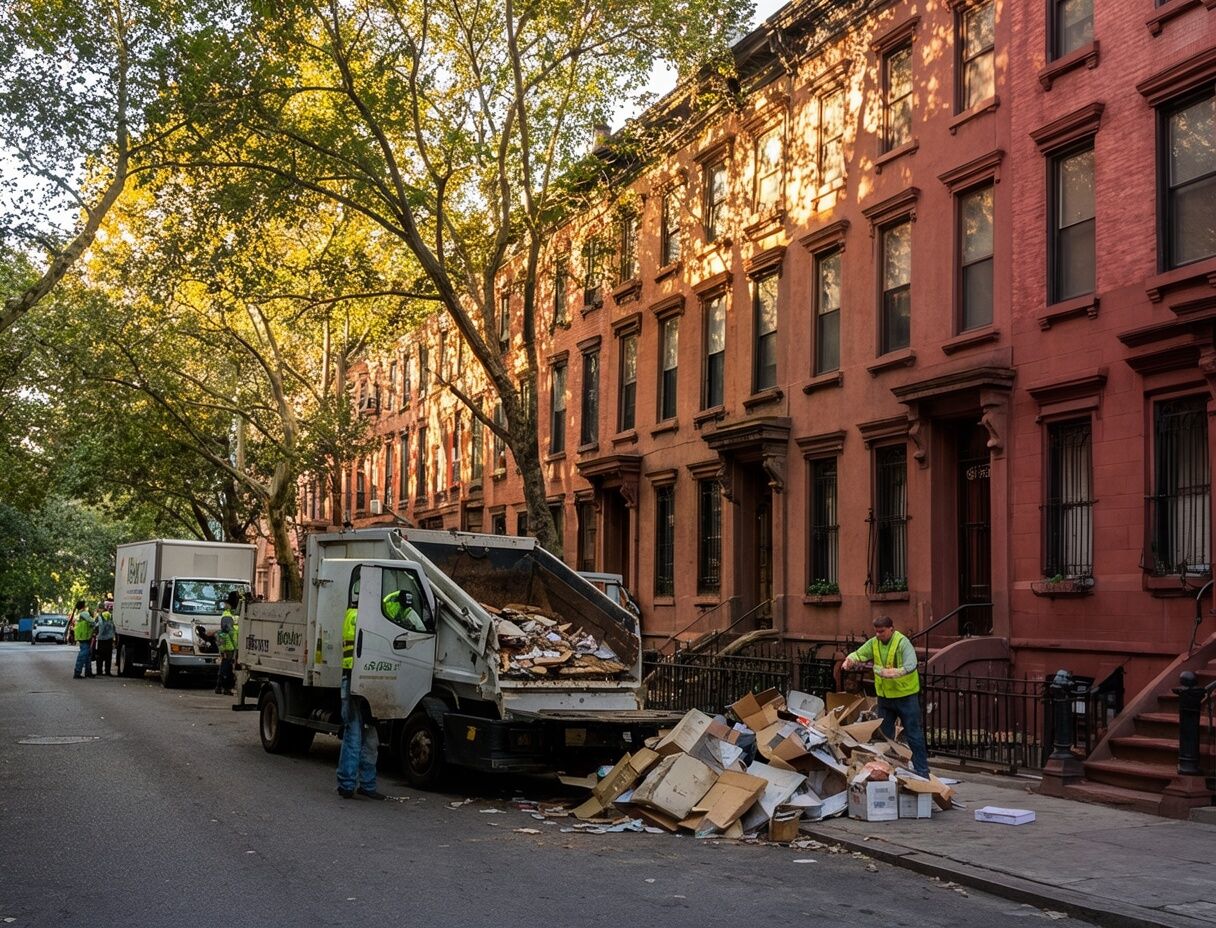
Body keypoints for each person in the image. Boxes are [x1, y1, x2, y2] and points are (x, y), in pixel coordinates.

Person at [842, 615, 930, 778]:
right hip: (885, 698)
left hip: (906, 696)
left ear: (891, 629)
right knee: (884, 736)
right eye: (876, 631)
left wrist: (897, 671)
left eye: (882, 631)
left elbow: (911, 664)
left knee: (913, 734)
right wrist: (850, 660)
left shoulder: (902, 643)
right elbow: (860, 653)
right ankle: (885, 769)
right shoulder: (874, 643)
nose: (878, 635)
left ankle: (922, 771)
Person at [336, 583, 386, 800]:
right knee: (356, 736)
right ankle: (347, 784)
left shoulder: (356, 614)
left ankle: (366, 784)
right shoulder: (357, 616)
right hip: (355, 681)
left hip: (363, 681)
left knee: (369, 739)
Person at [214, 591, 239, 696]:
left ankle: (220, 686)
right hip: (230, 644)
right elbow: (231, 631)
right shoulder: (228, 615)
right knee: (227, 666)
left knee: (225, 665)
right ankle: (225, 687)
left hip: (229, 643)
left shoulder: (231, 614)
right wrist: (236, 644)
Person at [71, 601, 95, 679]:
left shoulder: (79, 614)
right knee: (83, 655)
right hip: (85, 636)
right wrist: (95, 624)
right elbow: (92, 621)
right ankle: (78, 672)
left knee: (87, 655)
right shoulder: (84, 613)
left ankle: (88, 672)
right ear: (83, 606)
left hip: (83, 636)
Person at [93, 603, 116, 676]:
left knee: (99, 656)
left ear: (100, 608)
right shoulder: (110, 615)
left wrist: (95, 634)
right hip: (109, 639)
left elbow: (96, 627)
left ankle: (99, 671)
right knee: (108, 656)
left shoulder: (99, 617)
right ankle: (107, 671)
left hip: (101, 639)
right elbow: (113, 626)